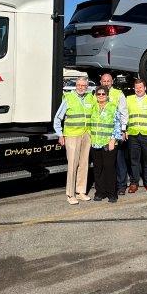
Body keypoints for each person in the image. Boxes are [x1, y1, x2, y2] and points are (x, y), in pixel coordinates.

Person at [53, 76, 95, 205]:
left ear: (87, 86)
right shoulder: (69, 98)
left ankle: (81, 191)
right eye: (79, 85)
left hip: (86, 134)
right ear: (76, 86)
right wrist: (60, 134)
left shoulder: (90, 97)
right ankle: (70, 194)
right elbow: (57, 118)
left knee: (84, 163)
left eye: (83, 85)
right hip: (71, 135)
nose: (81, 87)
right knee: (72, 164)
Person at [125, 79, 147, 194]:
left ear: (145, 88)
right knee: (134, 160)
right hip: (133, 134)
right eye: (136, 87)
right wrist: (124, 129)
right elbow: (125, 115)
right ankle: (134, 183)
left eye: (140, 87)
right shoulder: (128, 99)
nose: (138, 89)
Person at [88, 87, 121, 202]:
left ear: (107, 95)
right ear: (96, 95)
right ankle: (100, 192)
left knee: (109, 168)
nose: (101, 95)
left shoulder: (113, 107)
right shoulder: (93, 107)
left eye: (103, 94)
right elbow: (89, 125)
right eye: (99, 94)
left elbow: (117, 125)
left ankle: (112, 193)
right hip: (96, 143)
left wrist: (112, 140)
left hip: (108, 143)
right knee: (98, 169)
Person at [99, 72, 129, 195]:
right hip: (102, 133)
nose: (106, 83)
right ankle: (107, 184)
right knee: (105, 161)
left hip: (115, 132)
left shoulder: (118, 94)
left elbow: (124, 112)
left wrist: (123, 130)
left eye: (108, 81)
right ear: (101, 82)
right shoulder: (96, 93)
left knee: (119, 159)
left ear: (112, 82)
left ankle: (121, 185)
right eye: (104, 81)